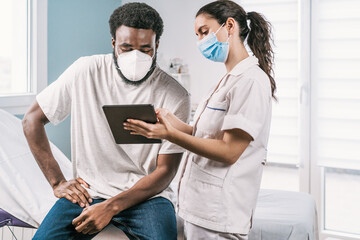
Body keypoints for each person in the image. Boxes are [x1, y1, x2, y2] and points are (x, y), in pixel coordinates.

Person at [22, 2, 190, 240]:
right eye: (126, 47)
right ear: (113, 43)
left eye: (145, 49)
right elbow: (31, 120)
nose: (136, 57)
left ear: (157, 46)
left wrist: (111, 207)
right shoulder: (85, 71)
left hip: (147, 198)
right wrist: (57, 181)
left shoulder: (175, 95)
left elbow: (165, 171)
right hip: (89, 192)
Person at [124, 0, 276, 239]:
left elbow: (229, 151)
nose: (200, 41)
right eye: (197, 35)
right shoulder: (227, 80)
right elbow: (205, 136)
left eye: (204, 32)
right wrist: (172, 122)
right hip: (197, 209)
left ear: (229, 25)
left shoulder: (251, 81)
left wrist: (169, 135)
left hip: (219, 215)